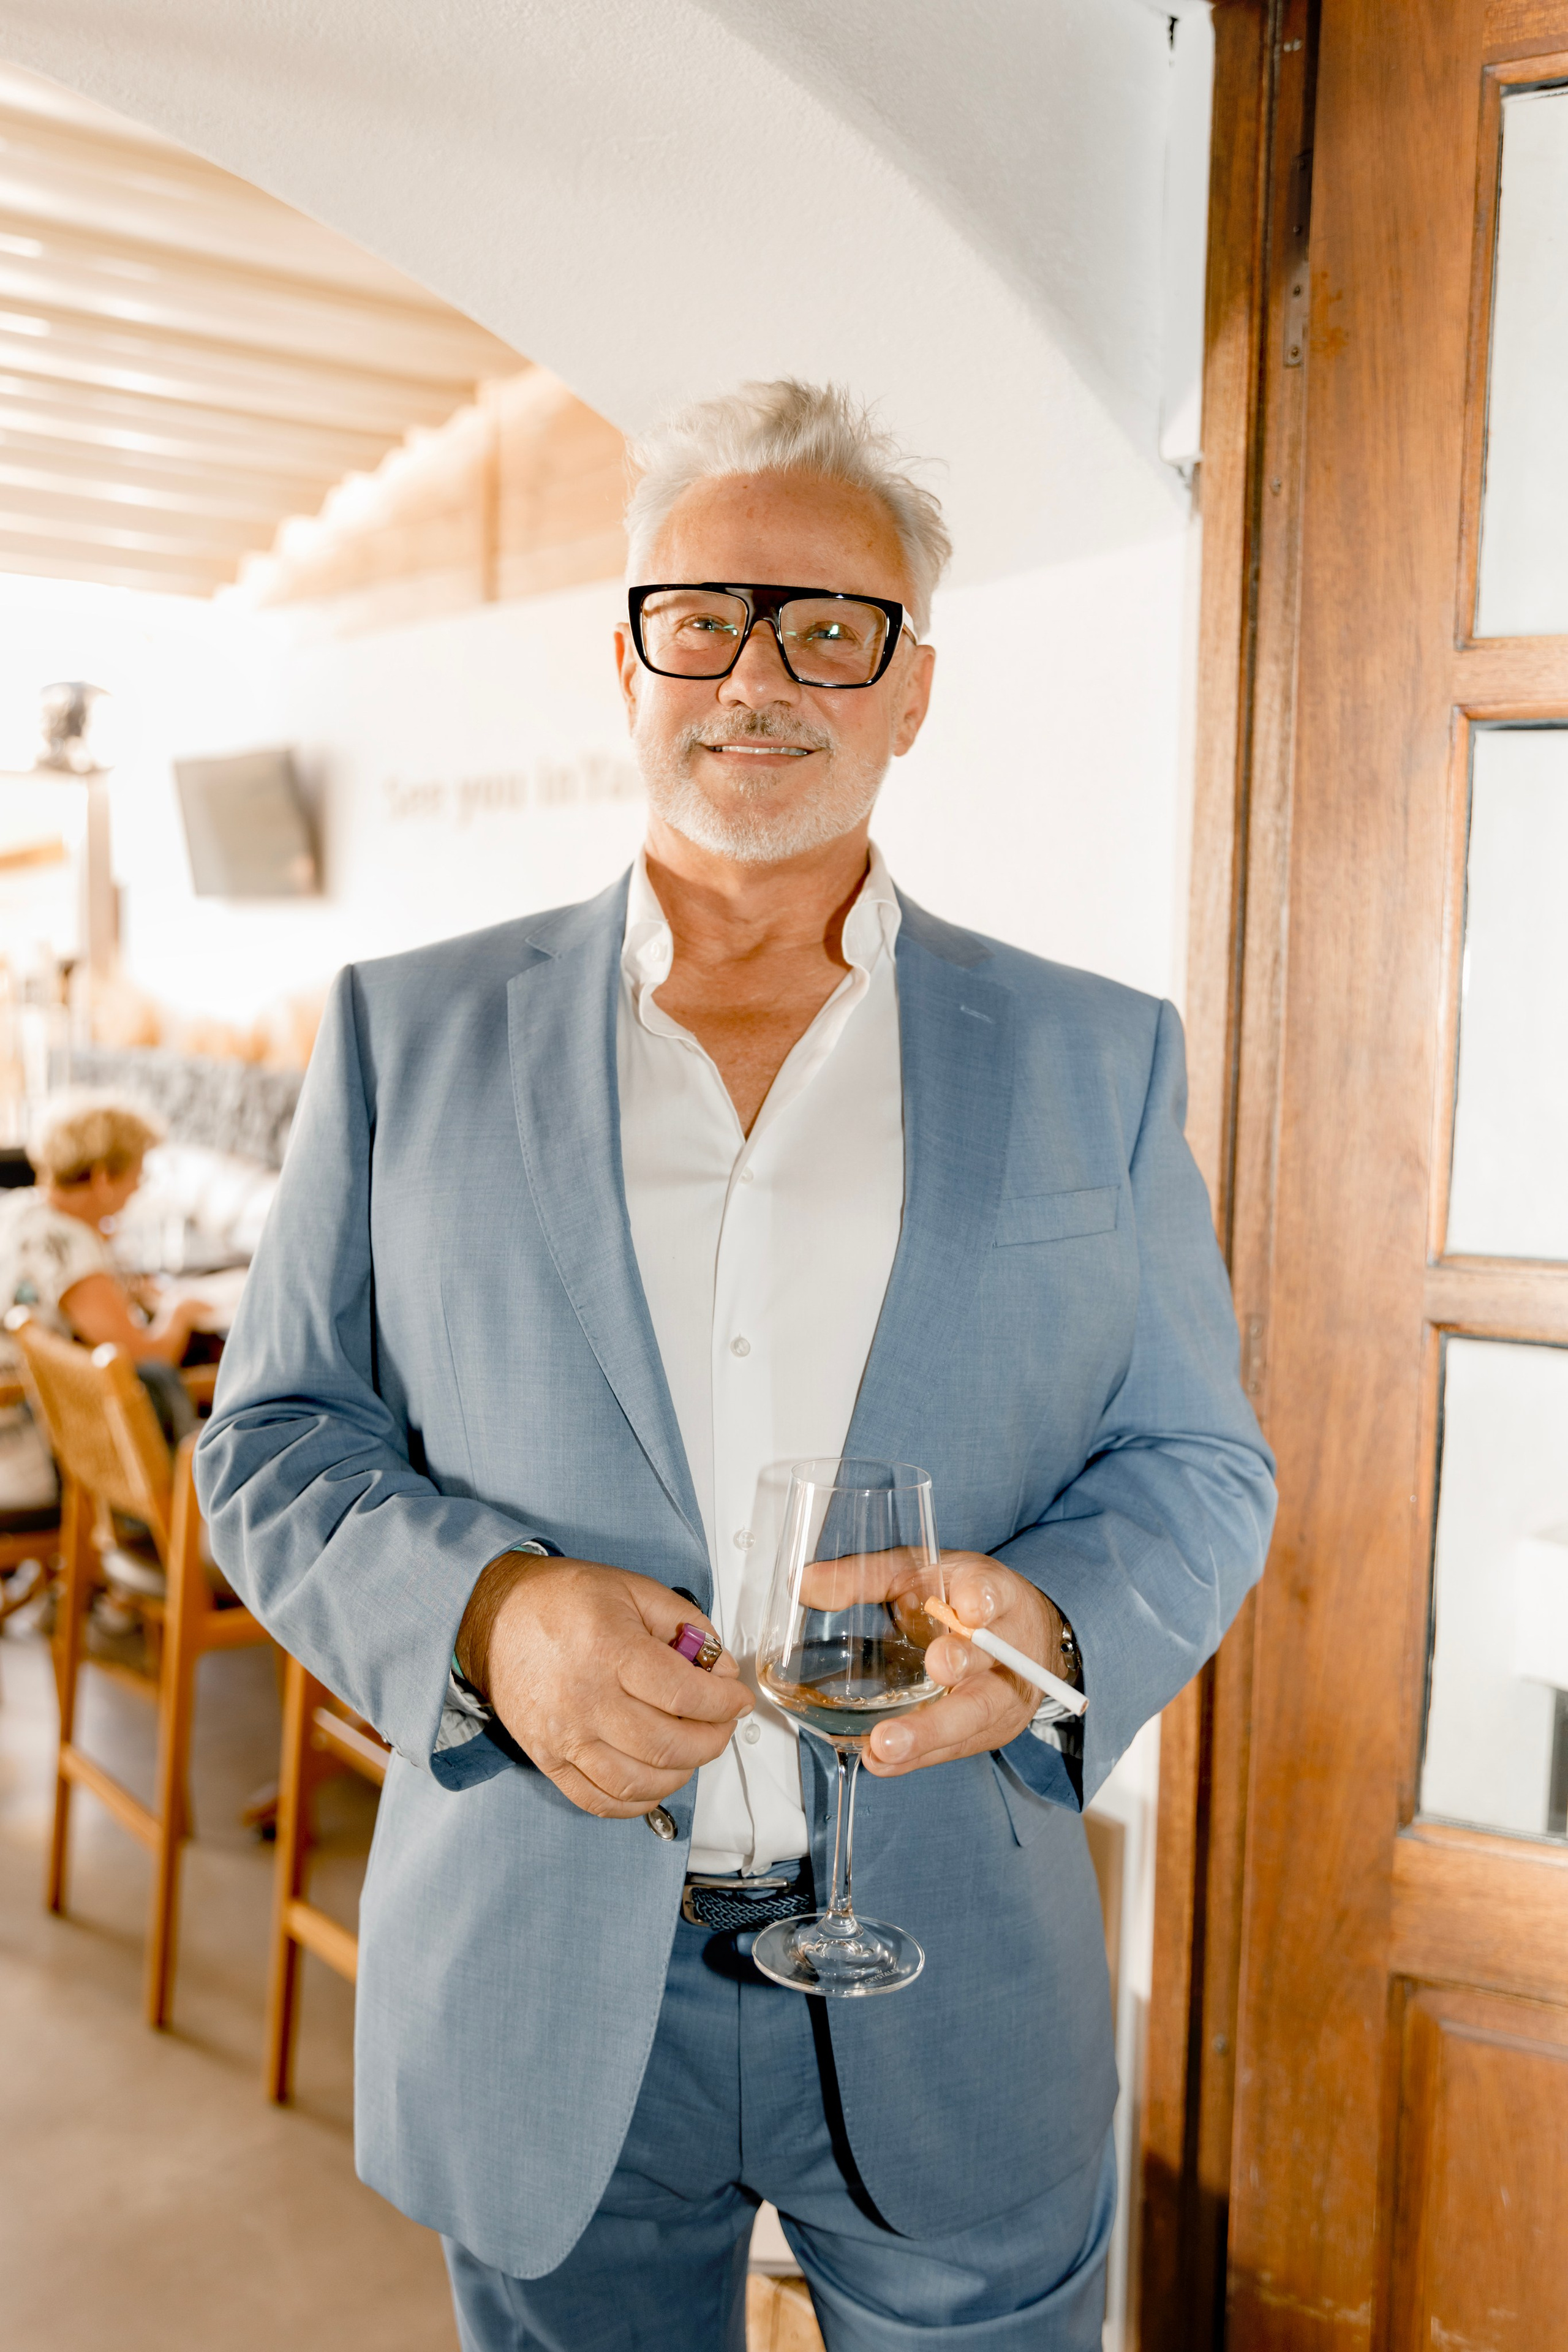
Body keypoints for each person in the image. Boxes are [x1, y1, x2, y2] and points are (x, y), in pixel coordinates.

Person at [197, 380, 1276, 2351]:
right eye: (703, 615)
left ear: (911, 689)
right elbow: (272, 1440)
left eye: (828, 627)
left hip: (956, 1972)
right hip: (538, 1979)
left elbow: (1196, 1459)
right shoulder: (402, 1035)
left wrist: (1044, 1611)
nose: (758, 673)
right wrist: (490, 1615)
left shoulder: (1094, 1054)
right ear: (624, 655)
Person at [0, 1093, 205, 1518]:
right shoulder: (72, 1250)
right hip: (26, 1451)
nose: (137, 1189)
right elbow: (150, 1352)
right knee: (155, 1380)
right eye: (137, 1175)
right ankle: (169, 1529)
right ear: (103, 1177)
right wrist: (179, 1312)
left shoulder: (19, 1208)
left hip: (19, 1424)